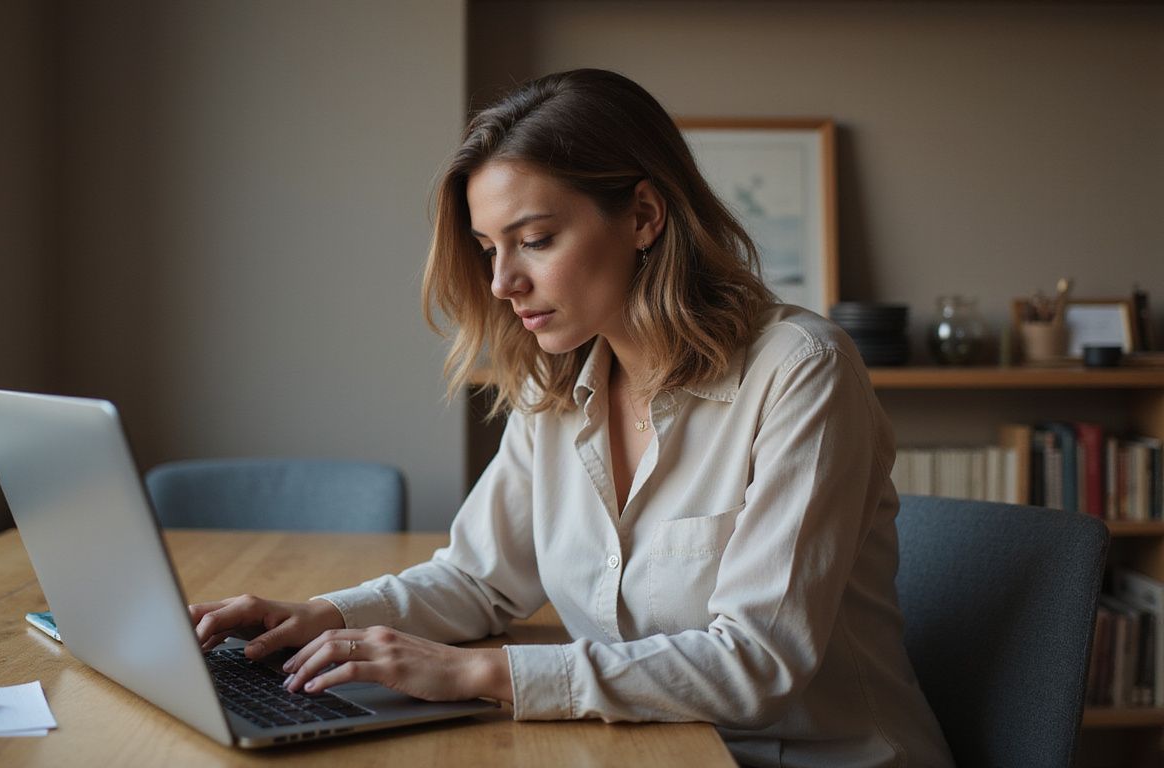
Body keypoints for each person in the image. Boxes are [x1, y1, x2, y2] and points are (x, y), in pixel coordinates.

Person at [189, 69, 954, 767]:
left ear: (645, 215)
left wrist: (478, 672)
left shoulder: (800, 371)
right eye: (489, 248)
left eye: (535, 241)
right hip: (644, 748)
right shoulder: (556, 384)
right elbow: (476, 581)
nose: (501, 282)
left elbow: (756, 663)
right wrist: (318, 616)